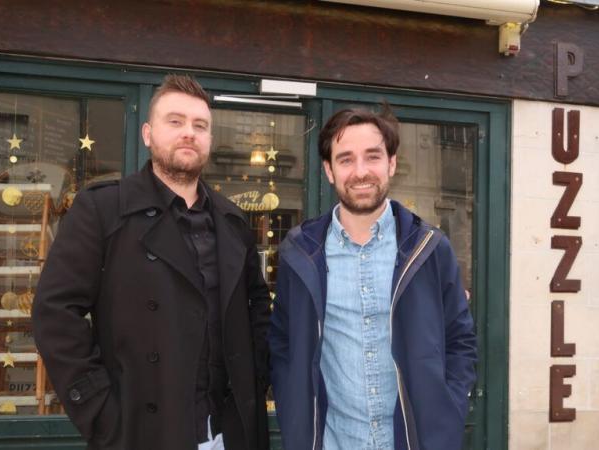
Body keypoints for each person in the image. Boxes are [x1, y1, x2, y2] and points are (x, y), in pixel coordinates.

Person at [32, 74, 271, 450]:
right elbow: (55, 313)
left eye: (200, 125)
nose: (188, 133)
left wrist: (255, 386)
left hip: (228, 432)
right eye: (174, 122)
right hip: (143, 433)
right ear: (147, 134)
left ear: (209, 139)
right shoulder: (102, 210)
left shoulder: (232, 221)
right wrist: (102, 414)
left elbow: (257, 310)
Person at [269, 107, 477, 450]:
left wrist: (447, 413)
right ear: (329, 170)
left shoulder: (429, 249)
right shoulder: (300, 254)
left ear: (391, 164)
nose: (361, 171)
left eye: (373, 156)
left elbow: (461, 342)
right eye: (346, 159)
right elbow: (282, 345)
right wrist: (295, 413)